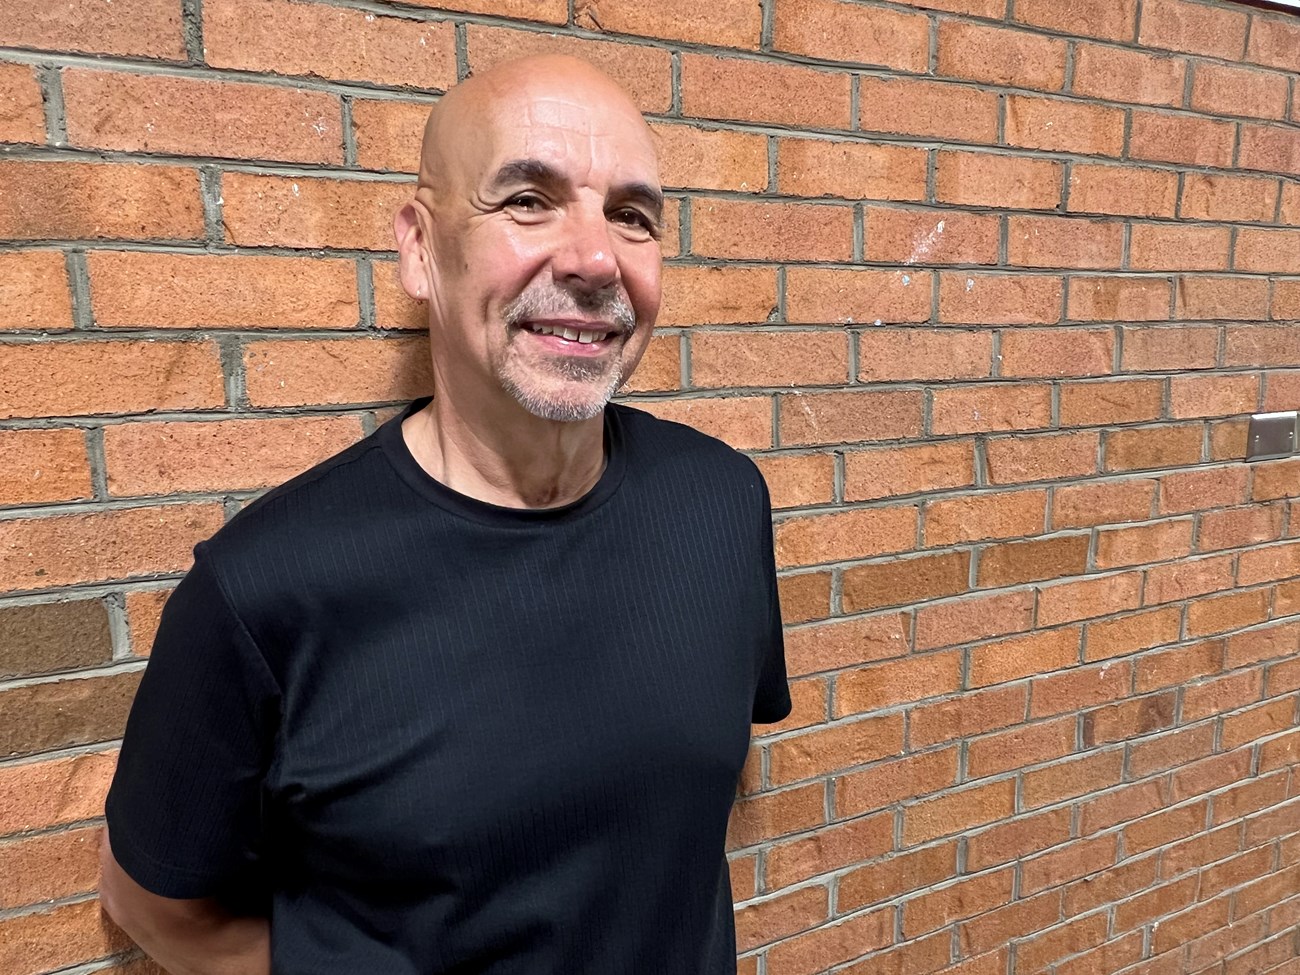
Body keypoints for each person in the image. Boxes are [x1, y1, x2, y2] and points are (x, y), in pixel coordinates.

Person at [99, 55, 791, 975]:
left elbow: (694, 776)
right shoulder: (265, 588)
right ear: (421, 249)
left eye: (632, 217)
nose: (594, 258)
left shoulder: (719, 501)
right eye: (528, 201)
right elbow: (147, 897)